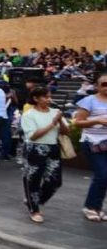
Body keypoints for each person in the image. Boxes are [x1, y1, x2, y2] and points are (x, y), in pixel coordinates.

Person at [21, 87, 68, 223]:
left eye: (49, 96)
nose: (49, 99)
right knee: (33, 179)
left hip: (53, 148)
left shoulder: (55, 112)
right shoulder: (29, 114)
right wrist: (52, 123)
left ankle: (34, 200)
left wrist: (59, 121)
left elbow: (66, 132)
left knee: (55, 181)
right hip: (35, 149)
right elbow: (33, 136)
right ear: (36, 99)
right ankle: (34, 209)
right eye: (45, 97)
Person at [73, 72, 107, 222]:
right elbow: (77, 122)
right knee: (102, 174)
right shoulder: (89, 101)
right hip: (93, 142)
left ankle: (98, 207)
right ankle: (90, 207)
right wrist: (97, 120)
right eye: (104, 84)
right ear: (97, 86)